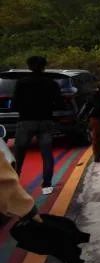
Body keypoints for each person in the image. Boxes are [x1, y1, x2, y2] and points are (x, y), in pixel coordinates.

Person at [12, 56, 62, 195]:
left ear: (29, 66)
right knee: (46, 154)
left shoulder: (21, 83)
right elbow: (60, 104)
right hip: (45, 121)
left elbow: (14, 104)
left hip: (25, 121)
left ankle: (14, 183)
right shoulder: (51, 83)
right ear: (44, 66)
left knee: (19, 154)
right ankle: (46, 185)